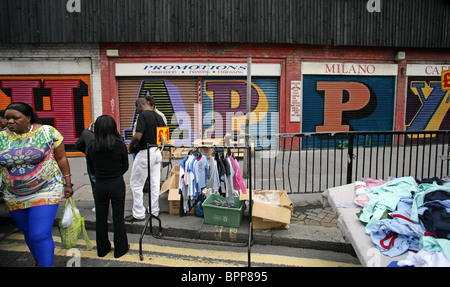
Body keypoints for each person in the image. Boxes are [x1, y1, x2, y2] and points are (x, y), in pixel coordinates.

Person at [0, 102, 73, 267]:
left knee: (39, 234)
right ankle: (39, 261)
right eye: (7, 118)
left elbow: (61, 158)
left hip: (46, 189)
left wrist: (68, 183)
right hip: (13, 194)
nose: (9, 121)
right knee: (28, 233)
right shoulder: (1, 137)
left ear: (28, 118)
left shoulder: (48, 132)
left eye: (15, 118)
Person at [86, 115, 129, 258]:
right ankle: (120, 249)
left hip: (100, 184)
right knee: (118, 217)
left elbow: (90, 169)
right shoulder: (120, 144)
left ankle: (102, 249)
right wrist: (116, 173)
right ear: (113, 127)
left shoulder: (92, 146)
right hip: (116, 183)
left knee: (101, 217)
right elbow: (125, 166)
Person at [126, 97, 165, 222]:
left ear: (139, 105)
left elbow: (138, 135)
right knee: (154, 184)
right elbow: (164, 137)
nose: (136, 110)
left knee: (136, 184)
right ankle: (154, 210)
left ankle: (138, 213)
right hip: (157, 151)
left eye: (136, 107)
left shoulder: (142, 116)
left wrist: (131, 147)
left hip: (145, 152)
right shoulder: (159, 116)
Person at [74, 122, 96, 212]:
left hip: (92, 162)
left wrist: (87, 151)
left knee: (95, 184)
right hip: (109, 164)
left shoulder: (86, 133)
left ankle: (99, 205)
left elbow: (77, 145)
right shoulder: (110, 132)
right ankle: (110, 205)